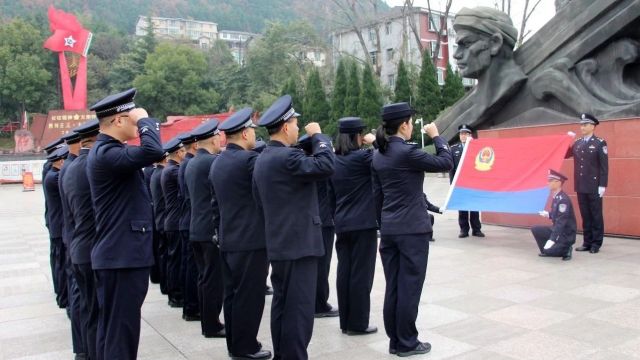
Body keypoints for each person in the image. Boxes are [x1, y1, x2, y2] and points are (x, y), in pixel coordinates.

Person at [253, 95, 334, 360]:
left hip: (280, 243)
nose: (300, 129)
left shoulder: (264, 158)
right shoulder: (287, 158)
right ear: (286, 127)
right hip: (299, 245)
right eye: (297, 124)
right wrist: (320, 136)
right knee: (299, 311)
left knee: (283, 306)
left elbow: (258, 201)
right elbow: (326, 165)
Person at [86, 88, 164, 359]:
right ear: (118, 121)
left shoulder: (107, 152)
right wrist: (146, 120)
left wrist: (140, 119)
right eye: (132, 118)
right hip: (121, 257)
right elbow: (154, 150)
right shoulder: (108, 153)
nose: (137, 124)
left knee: (112, 330)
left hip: (118, 255)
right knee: (122, 332)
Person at [372, 102, 453, 357]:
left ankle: (395, 340)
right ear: (404, 125)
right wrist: (436, 136)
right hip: (411, 230)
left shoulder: (378, 153)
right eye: (410, 123)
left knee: (394, 286)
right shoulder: (406, 153)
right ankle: (407, 341)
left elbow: (377, 195)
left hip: (390, 228)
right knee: (409, 287)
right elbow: (445, 162)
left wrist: (383, 223)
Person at [211, 108, 272, 359]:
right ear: (245, 133)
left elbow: (215, 205)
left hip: (228, 239)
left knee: (233, 295)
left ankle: (235, 345)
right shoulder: (249, 161)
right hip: (251, 240)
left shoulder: (218, 162)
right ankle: (246, 347)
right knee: (250, 296)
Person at [436, 6, 527, 140]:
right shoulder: (475, 100)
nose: (456, 55)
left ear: (495, 43)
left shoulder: (508, 87)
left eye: (466, 44)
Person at [330, 117, 378, 336]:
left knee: (344, 271)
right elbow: (385, 156)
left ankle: (345, 321)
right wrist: (375, 140)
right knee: (361, 274)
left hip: (341, 222)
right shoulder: (363, 157)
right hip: (363, 224)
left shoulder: (332, 159)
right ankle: (358, 323)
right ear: (357, 137)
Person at [185, 119, 226, 338]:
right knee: (213, 280)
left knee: (204, 278)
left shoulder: (192, 162)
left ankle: (207, 321)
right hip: (211, 229)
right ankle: (212, 324)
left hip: (197, 227)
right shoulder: (211, 162)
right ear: (213, 138)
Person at [64, 119, 101, 360]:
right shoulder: (92, 167)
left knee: (90, 311)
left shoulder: (71, 168)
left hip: (79, 247)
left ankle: (87, 353)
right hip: (93, 250)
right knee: (100, 313)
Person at [296, 134, 339, 319]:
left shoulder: (304, 164)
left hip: (309, 219)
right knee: (323, 265)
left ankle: (314, 301)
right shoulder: (319, 167)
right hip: (324, 220)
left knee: (313, 266)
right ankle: (319, 304)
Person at [58, 130, 85, 358]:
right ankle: (83, 350)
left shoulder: (69, 167)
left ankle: (83, 349)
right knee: (81, 299)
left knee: (80, 298)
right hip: (78, 241)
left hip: (74, 240)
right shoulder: (74, 168)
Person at [566, 113, 608, 253]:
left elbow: (604, 166)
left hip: (594, 186)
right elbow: (565, 154)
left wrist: (603, 185)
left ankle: (596, 243)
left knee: (595, 214)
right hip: (581, 185)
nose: (582, 127)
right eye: (581, 124)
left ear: (592, 126)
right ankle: (587, 241)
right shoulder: (577, 142)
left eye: (585, 125)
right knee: (585, 215)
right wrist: (566, 140)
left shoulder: (600, 143)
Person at [161, 136, 187, 308]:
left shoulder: (168, 169)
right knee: (176, 261)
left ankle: (174, 294)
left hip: (172, 220)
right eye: (184, 151)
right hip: (175, 221)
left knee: (174, 259)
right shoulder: (173, 171)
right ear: (178, 153)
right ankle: (176, 295)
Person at [177, 132, 200, 321]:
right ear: (195, 146)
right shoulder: (189, 164)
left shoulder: (185, 164)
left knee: (190, 266)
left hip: (187, 220)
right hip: (191, 219)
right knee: (193, 269)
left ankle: (189, 305)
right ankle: (192, 307)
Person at [44, 145, 69, 310]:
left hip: (57, 224)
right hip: (59, 226)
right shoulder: (54, 177)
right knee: (61, 264)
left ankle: (61, 294)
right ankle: (62, 297)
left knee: (59, 261)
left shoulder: (52, 173)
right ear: (60, 161)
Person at [449, 124, 485, 238]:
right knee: (462, 207)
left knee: (474, 207)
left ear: (470, 135)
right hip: (460, 184)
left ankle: (476, 229)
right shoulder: (453, 149)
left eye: (465, 133)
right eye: (461, 134)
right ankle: (464, 229)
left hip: (474, 183)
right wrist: (452, 185)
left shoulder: (477, 148)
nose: (463, 136)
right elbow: (452, 169)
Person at [533, 169, 576, 261]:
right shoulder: (557, 197)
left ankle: (567, 249)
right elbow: (556, 215)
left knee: (552, 247)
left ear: (558, 183)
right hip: (557, 229)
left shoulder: (563, 200)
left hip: (565, 233)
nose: (548, 183)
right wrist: (548, 214)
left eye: (550, 181)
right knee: (536, 229)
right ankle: (548, 251)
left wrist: (552, 239)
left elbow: (561, 221)